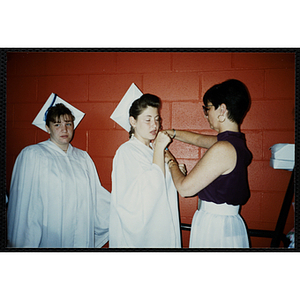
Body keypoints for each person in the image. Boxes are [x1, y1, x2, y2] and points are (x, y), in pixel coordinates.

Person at [160, 79, 252, 248]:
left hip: (216, 227)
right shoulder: (234, 143)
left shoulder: (224, 148)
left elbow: (185, 189)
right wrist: (170, 133)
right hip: (222, 223)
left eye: (207, 108)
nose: (206, 114)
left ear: (222, 109)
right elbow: (198, 139)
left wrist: (170, 160)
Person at [7, 101, 110, 248]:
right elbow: (24, 207)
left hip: (80, 235)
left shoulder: (83, 158)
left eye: (68, 124)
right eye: (57, 125)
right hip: (48, 238)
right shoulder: (33, 155)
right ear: (47, 128)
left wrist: (123, 209)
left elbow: (97, 196)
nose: (64, 129)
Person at [109, 86, 182, 248]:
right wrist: (159, 149)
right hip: (144, 237)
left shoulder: (151, 150)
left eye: (157, 119)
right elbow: (151, 187)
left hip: (161, 227)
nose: (154, 125)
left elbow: (161, 183)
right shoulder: (126, 151)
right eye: (147, 120)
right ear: (132, 121)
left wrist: (174, 170)